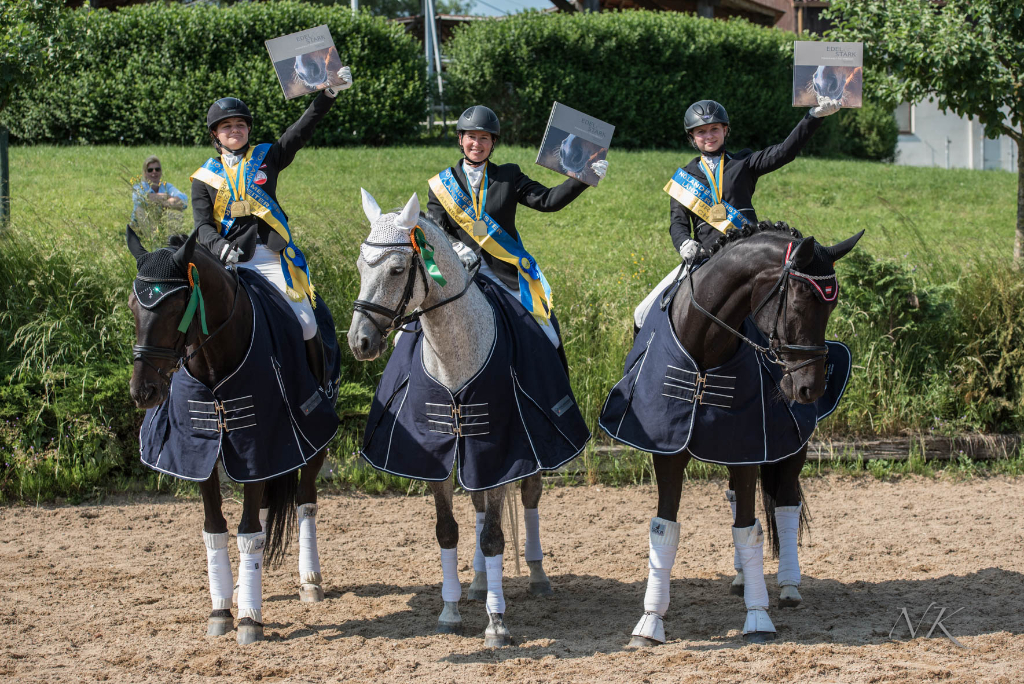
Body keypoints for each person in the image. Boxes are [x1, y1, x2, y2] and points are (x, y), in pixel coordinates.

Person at [190, 66, 352, 377]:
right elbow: (202, 227)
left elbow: (301, 130)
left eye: (240, 124)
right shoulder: (204, 178)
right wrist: (220, 247)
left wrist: (329, 93)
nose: (234, 130)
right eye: (226, 126)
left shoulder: (267, 157)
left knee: (305, 322)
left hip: (270, 256)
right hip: (227, 262)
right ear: (215, 134)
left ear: (248, 129)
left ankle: (319, 386)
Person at [632, 96, 841, 331]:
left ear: (725, 130)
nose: (709, 136)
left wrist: (814, 117)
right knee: (641, 313)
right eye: (701, 131)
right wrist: (683, 244)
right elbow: (678, 223)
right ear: (692, 137)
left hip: (749, 255)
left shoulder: (744, 163)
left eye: (714, 129)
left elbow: (784, 152)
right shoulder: (684, 179)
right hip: (705, 259)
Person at [426, 105, 608, 354]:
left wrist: (584, 176)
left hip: (504, 275)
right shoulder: (441, 184)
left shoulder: (509, 175)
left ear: (493, 143)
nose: (477, 144)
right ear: (460, 139)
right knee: (411, 334)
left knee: (550, 339)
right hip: (460, 274)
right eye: (471, 137)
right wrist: (456, 246)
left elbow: (548, 201)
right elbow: (435, 230)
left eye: (484, 138)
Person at [131, 155, 188, 226]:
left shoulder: (167, 186)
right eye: (150, 170)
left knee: (175, 210)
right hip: (141, 227)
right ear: (145, 173)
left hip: (162, 224)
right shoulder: (139, 187)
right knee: (141, 210)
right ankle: (152, 237)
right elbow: (140, 198)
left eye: (157, 169)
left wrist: (162, 202)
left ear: (161, 172)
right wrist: (166, 197)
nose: (154, 172)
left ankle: (173, 236)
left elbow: (184, 199)